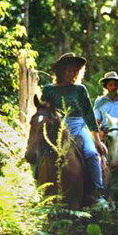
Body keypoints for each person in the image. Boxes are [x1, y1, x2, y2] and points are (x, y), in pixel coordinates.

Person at [41, 53, 108, 203]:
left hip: (78, 126)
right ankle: (37, 189)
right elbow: (43, 110)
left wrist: (97, 140)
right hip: (55, 128)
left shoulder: (80, 89)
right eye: (69, 70)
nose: (72, 74)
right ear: (61, 70)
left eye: (75, 71)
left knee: (91, 154)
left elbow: (89, 115)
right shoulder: (48, 89)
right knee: (40, 154)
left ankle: (98, 193)